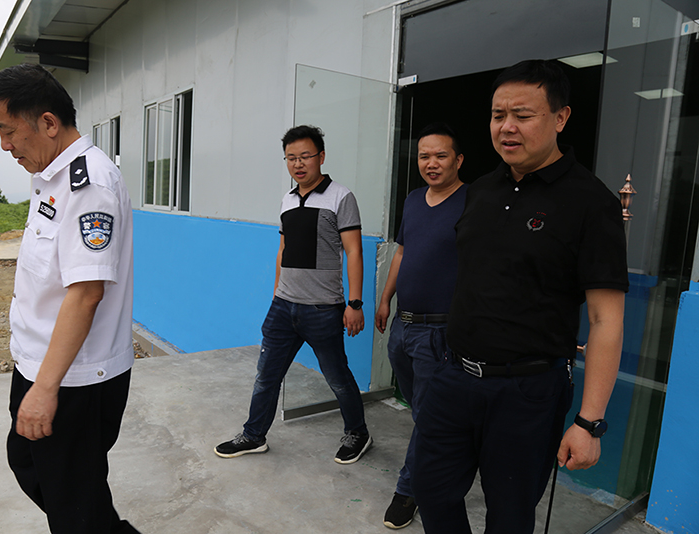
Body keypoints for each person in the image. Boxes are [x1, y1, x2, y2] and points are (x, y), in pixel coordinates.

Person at [411, 59, 628, 533]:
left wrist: (589, 422)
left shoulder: (591, 203)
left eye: (523, 115)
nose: (506, 127)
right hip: (454, 375)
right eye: (497, 115)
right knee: (430, 489)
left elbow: (606, 319)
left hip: (527, 392)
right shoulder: (480, 191)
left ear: (561, 117)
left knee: (510, 516)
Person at [0, 64, 139, 534]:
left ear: (48, 123)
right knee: (30, 463)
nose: (5, 145)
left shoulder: (89, 186)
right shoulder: (52, 176)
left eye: (8, 131)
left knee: (72, 503)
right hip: (40, 361)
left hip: (74, 378)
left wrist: (46, 389)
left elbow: (86, 294)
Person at [215, 125, 372, 464]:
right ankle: (254, 435)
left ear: (321, 157)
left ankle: (358, 432)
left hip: (323, 308)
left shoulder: (340, 197)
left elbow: (354, 251)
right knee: (266, 377)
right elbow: (283, 250)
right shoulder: (287, 200)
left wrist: (355, 303)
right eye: (291, 158)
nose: (298, 164)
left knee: (338, 378)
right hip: (283, 308)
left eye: (305, 156)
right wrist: (276, 295)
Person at [375, 122, 467, 529]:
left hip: (439, 331)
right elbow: (402, 252)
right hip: (403, 325)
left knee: (428, 416)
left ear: (458, 160)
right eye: (424, 156)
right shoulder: (414, 199)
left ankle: (409, 489)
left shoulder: (471, 201)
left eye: (441, 155)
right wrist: (385, 298)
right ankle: (442, 455)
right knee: (423, 412)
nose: (432, 163)